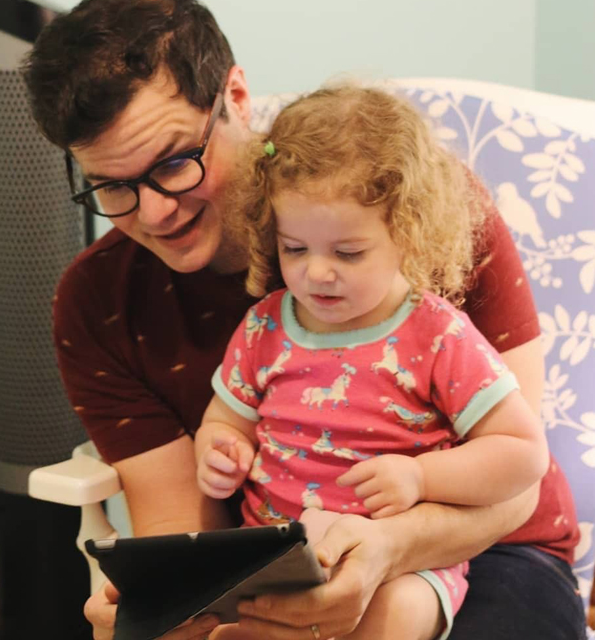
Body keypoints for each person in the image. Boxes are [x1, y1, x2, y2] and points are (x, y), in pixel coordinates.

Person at [21, 1, 582, 639]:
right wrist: (163, 606)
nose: (153, 214)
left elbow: (515, 484)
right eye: (113, 187)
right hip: (278, 557)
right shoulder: (100, 301)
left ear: (235, 97)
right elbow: (184, 520)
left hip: (490, 545)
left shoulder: (413, 204)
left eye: (173, 163)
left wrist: (388, 547)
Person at [194, 85, 551, 640]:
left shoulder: (436, 335)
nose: (317, 272)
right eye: (294, 248)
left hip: (401, 564)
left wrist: (421, 476)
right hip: (276, 561)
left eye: (348, 252)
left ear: (408, 233)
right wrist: (220, 450)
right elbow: (224, 421)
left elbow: (523, 453)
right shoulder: (264, 327)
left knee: (397, 613)